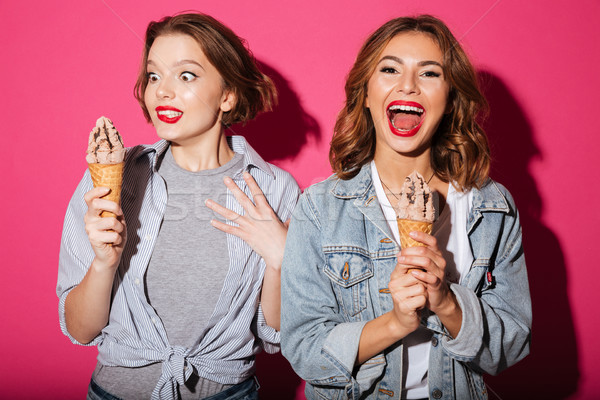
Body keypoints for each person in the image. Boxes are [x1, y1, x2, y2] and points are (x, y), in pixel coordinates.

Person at [280, 15, 531, 400]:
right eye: (390, 69)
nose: (408, 85)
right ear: (365, 92)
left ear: (450, 99)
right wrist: (395, 322)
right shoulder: (319, 207)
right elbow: (304, 351)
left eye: (429, 74)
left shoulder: (492, 208)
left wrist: (446, 302)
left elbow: (510, 347)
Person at [57, 13, 299, 400]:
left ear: (227, 95)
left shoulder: (274, 188)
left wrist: (282, 259)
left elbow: (279, 332)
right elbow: (81, 329)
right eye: (154, 76)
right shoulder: (114, 178)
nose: (162, 92)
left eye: (186, 75)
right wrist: (104, 263)